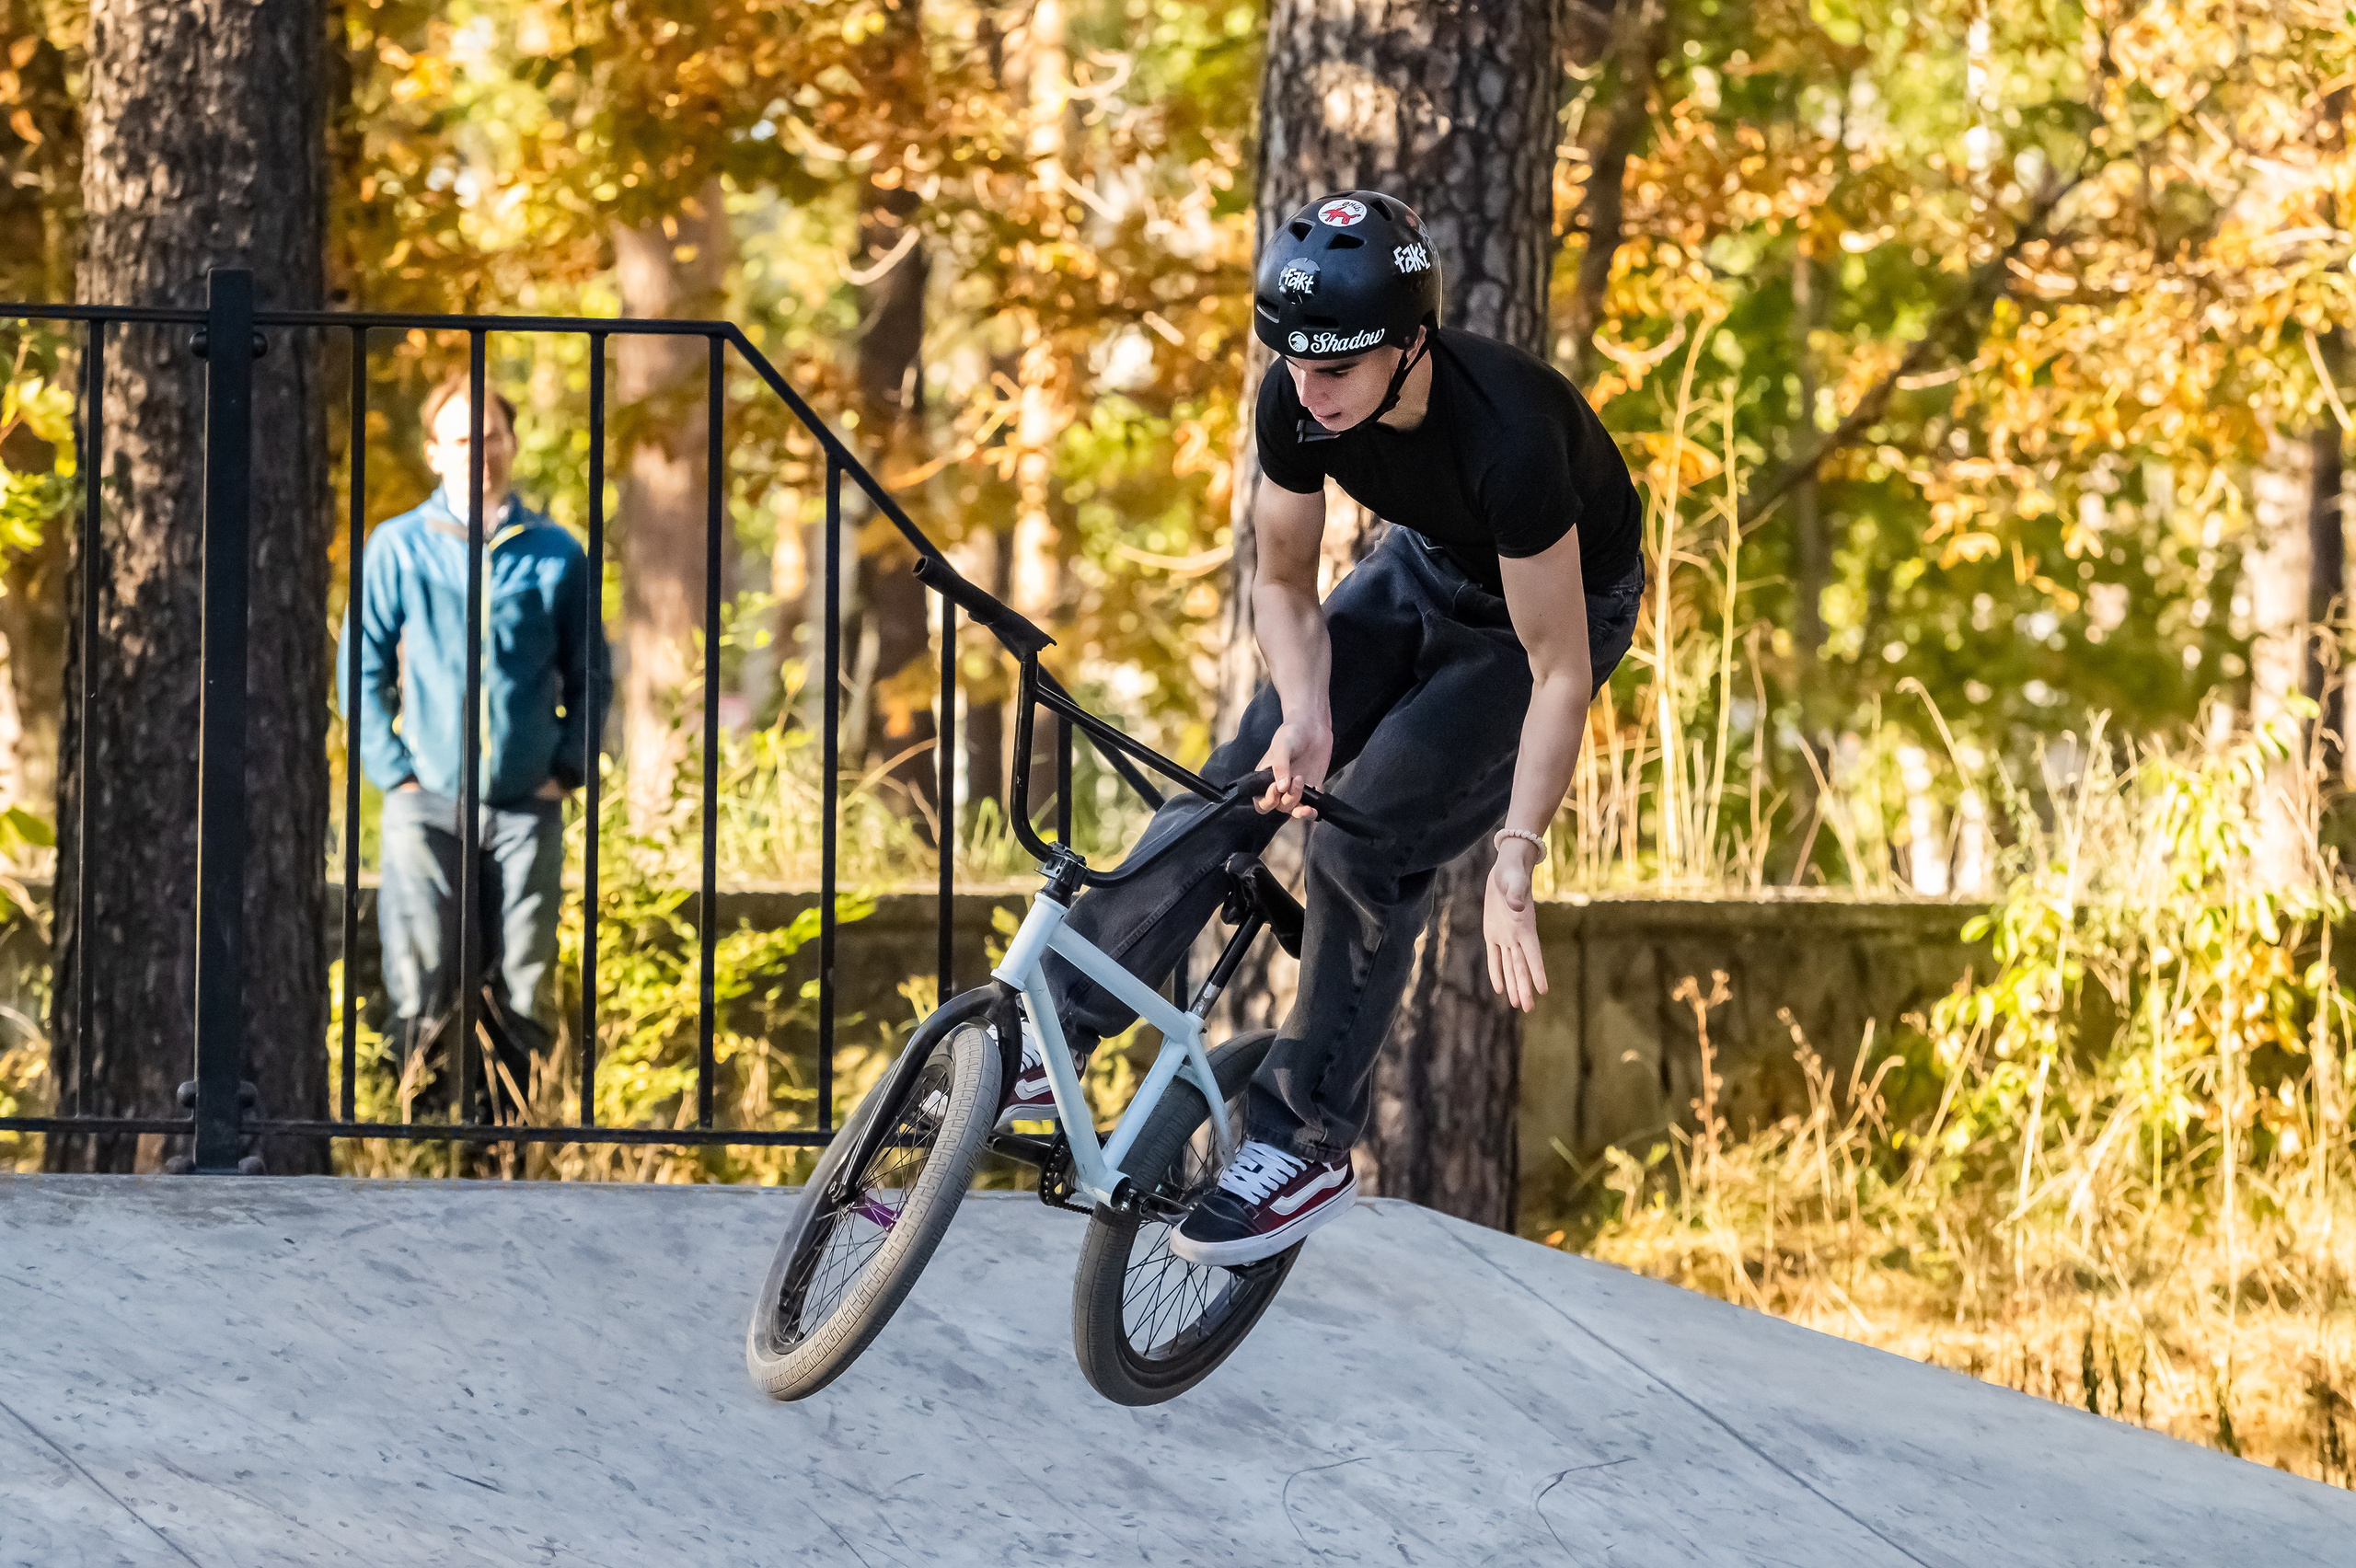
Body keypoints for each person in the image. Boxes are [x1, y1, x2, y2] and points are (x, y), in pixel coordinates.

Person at [1008, 190, 1647, 1266]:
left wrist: (1515, 855)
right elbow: (1285, 588)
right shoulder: (1296, 399)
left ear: (1409, 345)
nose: (1311, 391)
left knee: (1363, 839)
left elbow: (1556, 675)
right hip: (1422, 565)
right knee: (1243, 779)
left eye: (1336, 370)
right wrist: (1305, 716)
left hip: (1544, 623)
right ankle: (1057, 1031)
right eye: (1294, 364)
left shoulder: (1513, 438)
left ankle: (1304, 1139)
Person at [339, 375, 610, 1115]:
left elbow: (592, 672)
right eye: (463, 439)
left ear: (512, 444)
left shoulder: (558, 553)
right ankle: (417, 1137)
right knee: (422, 980)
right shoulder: (396, 547)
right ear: (434, 452)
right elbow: (360, 669)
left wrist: (567, 768)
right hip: (423, 802)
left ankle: (510, 1143)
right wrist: (393, 775)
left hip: (527, 804)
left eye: (492, 436)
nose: (480, 452)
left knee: (524, 981)